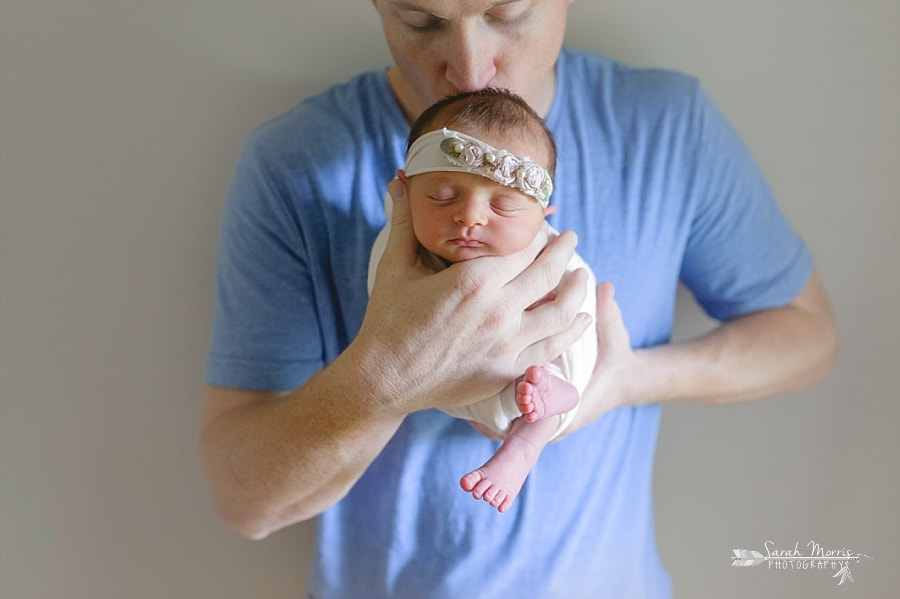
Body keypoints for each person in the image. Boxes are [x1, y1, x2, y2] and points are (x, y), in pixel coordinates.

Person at [200, 1, 839, 596]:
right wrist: (388, 377)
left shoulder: (665, 127)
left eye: (508, 12)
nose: (471, 70)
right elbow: (246, 503)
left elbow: (807, 337)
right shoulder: (294, 165)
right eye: (421, 21)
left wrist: (622, 381)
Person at [366, 88, 598, 513]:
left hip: (539, 368)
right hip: (442, 382)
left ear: (543, 217)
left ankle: (525, 444)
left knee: (545, 381)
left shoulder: (542, 252)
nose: (470, 217)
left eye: (504, 205)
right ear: (404, 191)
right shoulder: (400, 248)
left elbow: (569, 309)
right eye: (443, 196)